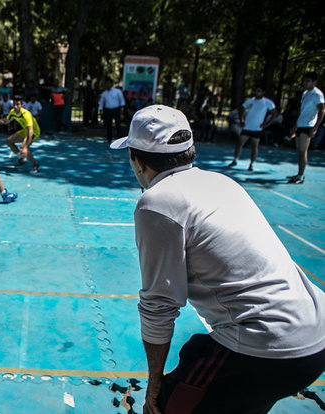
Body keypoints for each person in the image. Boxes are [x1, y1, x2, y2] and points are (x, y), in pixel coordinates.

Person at [110, 104, 325, 414]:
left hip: (265, 346)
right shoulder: (221, 182)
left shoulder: (156, 202)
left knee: (166, 408)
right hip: (314, 337)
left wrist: (155, 385)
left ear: (138, 162)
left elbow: (158, 306)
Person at [228, 86, 278, 171]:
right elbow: (242, 109)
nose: (257, 92)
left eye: (259, 91)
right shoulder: (250, 101)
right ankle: (235, 160)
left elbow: (274, 113)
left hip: (257, 128)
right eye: (256, 91)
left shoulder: (267, 102)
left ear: (263, 92)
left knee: (254, 146)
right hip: (247, 127)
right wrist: (242, 120)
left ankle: (251, 164)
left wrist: (267, 124)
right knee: (239, 143)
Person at [287, 71, 324, 184]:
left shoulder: (317, 94)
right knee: (299, 151)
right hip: (301, 124)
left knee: (303, 151)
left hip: (309, 125)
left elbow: (322, 110)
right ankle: (299, 173)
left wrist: (315, 127)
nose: (305, 83)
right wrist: (295, 126)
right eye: (304, 80)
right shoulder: (305, 94)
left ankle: (301, 176)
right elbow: (302, 112)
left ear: (314, 82)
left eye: (308, 81)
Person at [0, 95, 40, 173]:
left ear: (21, 105)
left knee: (23, 147)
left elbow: (30, 131)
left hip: (34, 131)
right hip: (24, 130)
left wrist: (26, 146)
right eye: (14, 104)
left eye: (18, 104)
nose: (16, 106)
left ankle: (36, 165)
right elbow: (5, 121)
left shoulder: (26, 114)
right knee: (8, 141)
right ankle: (21, 158)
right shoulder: (12, 112)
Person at [98, 78, 125, 143]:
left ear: (111, 84)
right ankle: (109, 138)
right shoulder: (104, 93)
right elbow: (101, 103)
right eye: (106, 83)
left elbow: (121, 101)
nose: (107, 85)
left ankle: (119, 138)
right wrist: (100, 110)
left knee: (118, 124)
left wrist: (122, 109)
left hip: (116, 109)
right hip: (108, 110)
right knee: (108, 124)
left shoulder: (117, 91)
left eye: (109, 83)